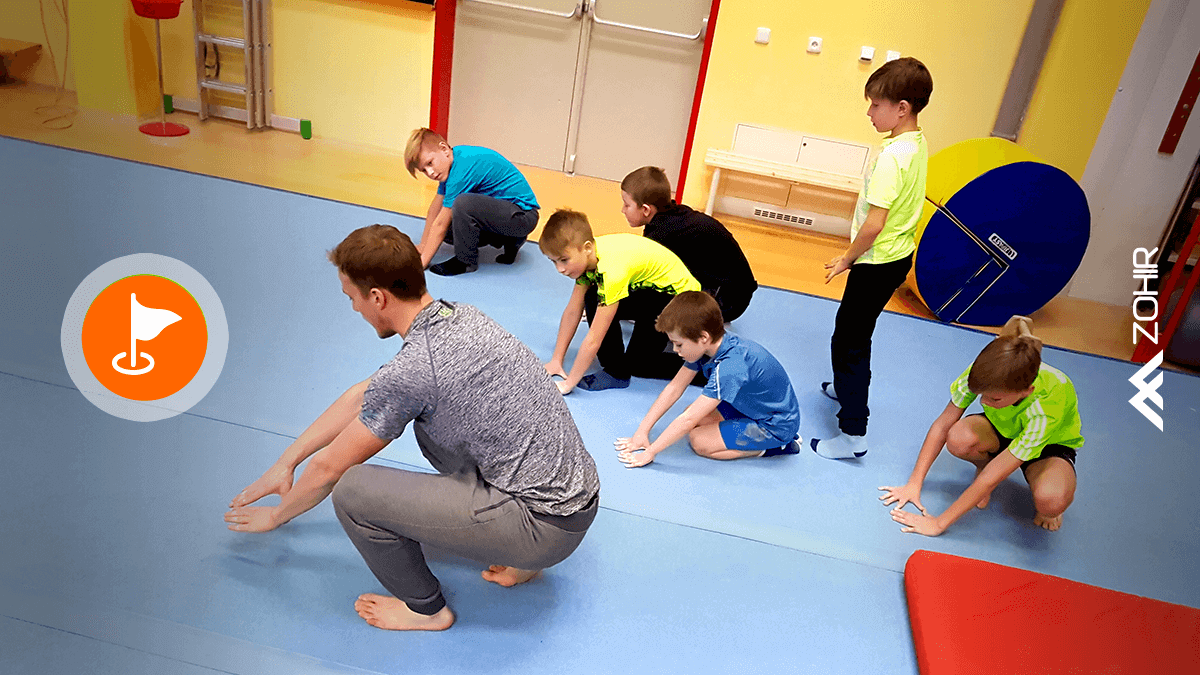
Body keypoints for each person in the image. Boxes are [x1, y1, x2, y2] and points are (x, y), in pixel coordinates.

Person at [224, 224, 600, 631]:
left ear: (377, 297)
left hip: (543, 526)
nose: (354, 309)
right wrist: (287, 461)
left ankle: (427, 609)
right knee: (452, 424)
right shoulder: (460, 317)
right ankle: (526, 561)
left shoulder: (416, 369)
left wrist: (278, 516)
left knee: (353, 491)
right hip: (577, 501)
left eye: (351, 298)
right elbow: (361, 395)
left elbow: (330, 470)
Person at [813, 56, 933, 460]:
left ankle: (852, 433)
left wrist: (847, 258)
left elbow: (873, 226)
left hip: (876, 260)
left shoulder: (891, 158)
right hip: (898, 256)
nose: (869, 112)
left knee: (848, 340)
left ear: (902, 108)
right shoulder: (916, 143)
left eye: (876, 105)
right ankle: (844, 388)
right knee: (854, 332)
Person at [880, 316, 1082, 535]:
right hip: (1001, 430)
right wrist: (914, 484)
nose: (984, 403)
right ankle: (983, 462)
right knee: (958, 437)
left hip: (1046, 448)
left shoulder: (1048, 404)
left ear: (1026, 392)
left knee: (1050, 500)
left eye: (994, 399)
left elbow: (992, 477)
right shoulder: (985, 372)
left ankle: (1050, 505)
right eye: (981, 396)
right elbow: (943, 424)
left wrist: (939, 524)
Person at [615, 291, 801, 468]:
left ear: (703, 337)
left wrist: (651, 452)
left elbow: (687, 420)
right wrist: (642, 432)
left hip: (774, 424)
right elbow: (674, 388)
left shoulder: (731, 367)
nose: (675, 350)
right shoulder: (709, 346)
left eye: (679, 344)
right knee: (694, 416)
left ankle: (776, 446)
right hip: (747, 408)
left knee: (700, 441)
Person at [540, 209, 701, 393]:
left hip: (679, 301)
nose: (560, 269)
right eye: (553, 262)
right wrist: (556, 360)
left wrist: (570, 384)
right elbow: (572, 311)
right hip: (651, 293)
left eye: (564, 260)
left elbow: (594, 338)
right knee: (593, 296)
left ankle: (702, 365)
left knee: (639, 365)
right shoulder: (589, 257)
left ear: (586, 248)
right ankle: (614, 367)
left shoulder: (610, 272)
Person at [620, 166, 758, 321]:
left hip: (728, 301)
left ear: (646, 209)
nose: (622, 210)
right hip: (734, 291)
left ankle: (708, 320)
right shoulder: (673, 214)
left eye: (626, 205)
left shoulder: (663, 233)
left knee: (647, 297)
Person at [404, 128, 540, 276]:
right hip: (506, 215)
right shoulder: (451, 164)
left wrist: (422, 263)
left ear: (444, 149)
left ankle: (465, 261)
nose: (430, 173)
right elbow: (434, 211)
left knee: (462, 204)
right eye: (424, 170)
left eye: (430, 163)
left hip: (523, 216)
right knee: (451, 229)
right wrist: (423, 246)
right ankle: (510, 240)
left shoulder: (461, 170)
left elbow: (440, 225)